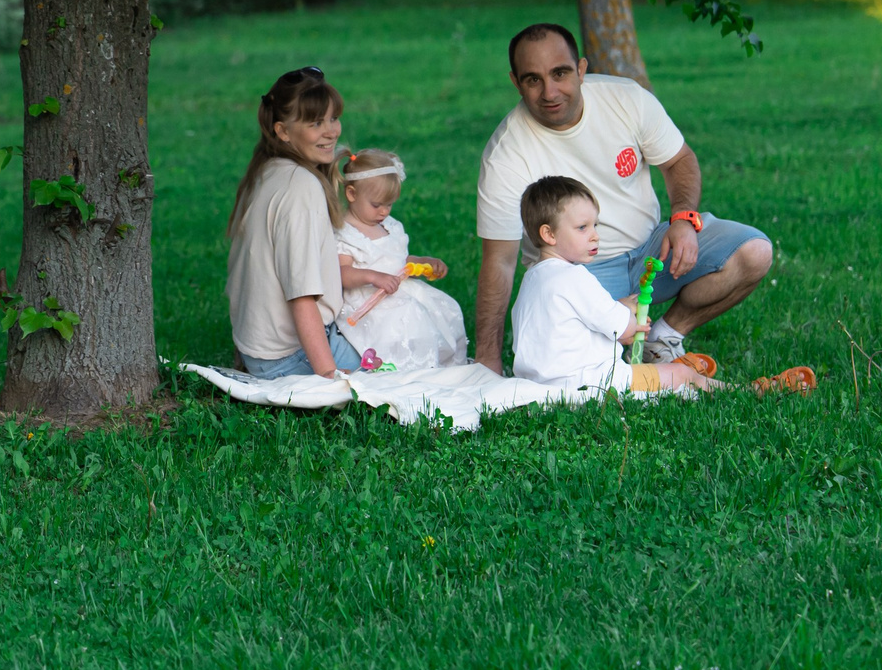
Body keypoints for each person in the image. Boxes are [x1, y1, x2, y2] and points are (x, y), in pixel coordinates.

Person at [473, 22, 772, 372]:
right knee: (579, 349)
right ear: (516, 82)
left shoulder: (626, 99)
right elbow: (500, 262)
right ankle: (626, 360)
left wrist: (683, 219)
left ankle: (663, 337)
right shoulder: (506, 154)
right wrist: (488, 360)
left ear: (582, 69)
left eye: (561, 73)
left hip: (652, 249)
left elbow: (679, 160)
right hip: (581, 272)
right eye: (533, 79)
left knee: (754, 252)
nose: (550, 92)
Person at [509, 175, 716, 394]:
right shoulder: (575, 277)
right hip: (590, 383)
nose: (595, 236)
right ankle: (736, 390)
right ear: (549, 234)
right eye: (582, 228)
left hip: (539, 385)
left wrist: (618, 309)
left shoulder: (532, 278)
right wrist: (628, 312)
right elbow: (622, 328)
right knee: (681, 376)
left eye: (594, 226)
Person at [226, 67, 363, 380]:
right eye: (316, 123)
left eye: (333, 118)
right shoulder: (301, 186)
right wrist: (329, 379)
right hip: (289, 358)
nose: (332, 131)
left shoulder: (265, 170)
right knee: (404, 356)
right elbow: (301, 296)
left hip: (258, 351)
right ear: (283, 131)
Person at [330, 149, 467, 370]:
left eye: (389, 204)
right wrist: (373, 277)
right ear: (352, 194)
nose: (384, 211)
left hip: (400, 290)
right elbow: (342, 273)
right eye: (377, 205)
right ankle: (401, 369)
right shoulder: (346, 233)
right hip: (369, 300)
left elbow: (398, 259)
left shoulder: (389, 226)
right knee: (407, 318)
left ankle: (431, 367)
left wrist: (423, 261)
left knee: (443, 310)